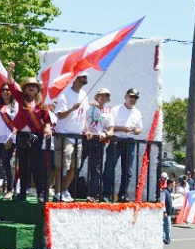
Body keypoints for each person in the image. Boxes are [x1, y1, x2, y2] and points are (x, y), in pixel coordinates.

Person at [6, 62, 53, 202]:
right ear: (25, 89)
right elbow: (10, 85)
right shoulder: (21, 98)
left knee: (36, 166)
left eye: (34, 86)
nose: (31, 88)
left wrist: (47, 128)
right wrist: (9, 71)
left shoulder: (42, 103)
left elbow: (47, 119)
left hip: (36, 137)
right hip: (22, 136)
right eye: (29, 86)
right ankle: (22, 193)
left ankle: (40, 193)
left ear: (37, 89)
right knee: (23, 165)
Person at [53, 72, 89, 202]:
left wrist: (87, 130)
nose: (86, 79)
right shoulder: (65, 94)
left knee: (75, 166)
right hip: (64, 135)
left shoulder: (84, 94)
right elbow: (60, 115)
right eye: (84, 77)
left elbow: (83, 116)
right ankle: (57, 192)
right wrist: (72, 109)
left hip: (77, 136)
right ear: (77, 78)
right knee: (61, 165)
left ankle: (64, 189)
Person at [102, 88, 143, 202]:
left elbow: (140, 129)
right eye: (131, 96)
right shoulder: (115, 109)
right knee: (109, 168)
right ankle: (106, 194)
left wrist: (135, 130)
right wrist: (122, 128)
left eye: (135, 97)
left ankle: (122, 195)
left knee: (128, 171)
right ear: (126, 97)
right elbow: (108, 126)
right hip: (116, 140)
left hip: (129, 142)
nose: (133, 99)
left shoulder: (137, 112)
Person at [83, 88, 114, 202]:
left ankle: (91, 194)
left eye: (106, 96)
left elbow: (111, 130)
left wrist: (105, 134)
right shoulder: (88, 107)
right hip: (84, 139)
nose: (103, 97)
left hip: (98, 142)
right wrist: (87, 130)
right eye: (101, 95)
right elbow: (82, 119)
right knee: (77, 165)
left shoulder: (107, 113)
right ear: (96, 96)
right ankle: (70, 191)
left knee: (95, 169)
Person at [0, 82, 18, 197]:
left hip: (8, 138)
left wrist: (11, 138)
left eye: (7, 90)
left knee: (6, 162)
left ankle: (10, 188)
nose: (5, 92)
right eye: (3, 90)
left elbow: (17, 123)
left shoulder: (15, 105)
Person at [162, 179, 175, 244]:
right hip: (166, 212)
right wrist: (164, 211)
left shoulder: (170, 192)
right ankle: (166, 238)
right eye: (173, 183)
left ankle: (167, 238)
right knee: (167, 226)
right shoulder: (165, 192)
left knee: (168, 226)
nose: (174, 185)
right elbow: (163, 202)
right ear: (170, 184)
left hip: (169, 211)